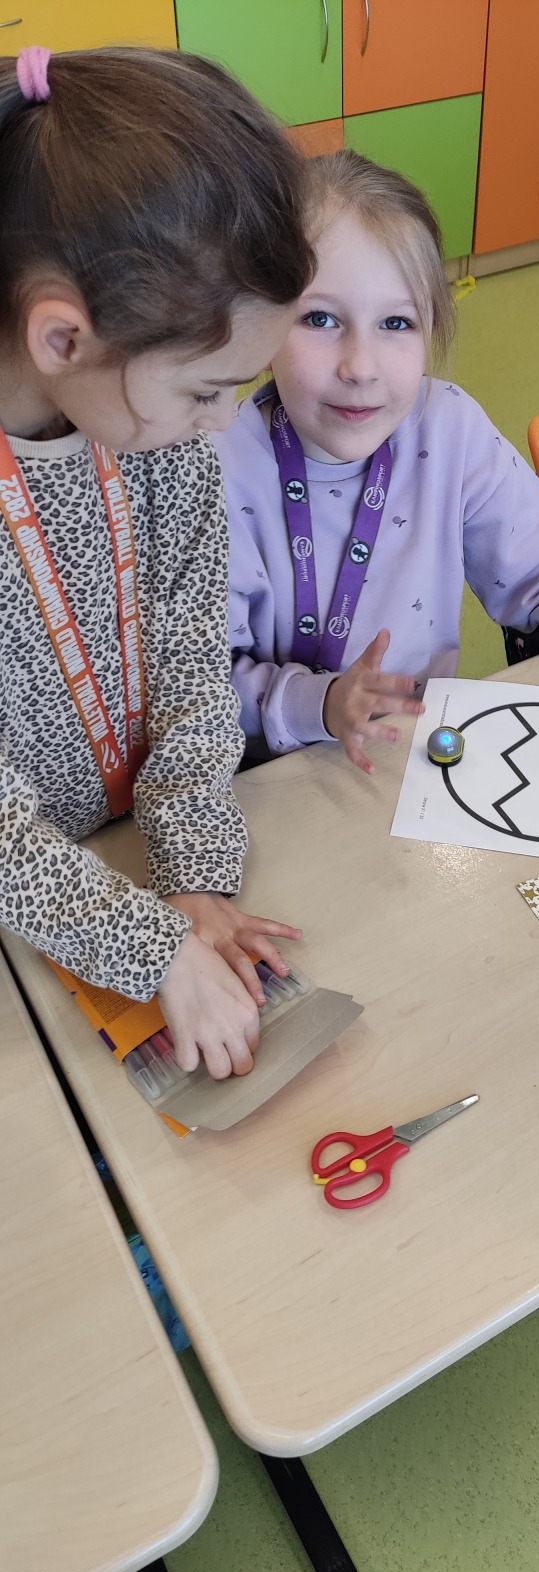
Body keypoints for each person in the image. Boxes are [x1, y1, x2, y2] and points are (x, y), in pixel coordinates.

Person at [0, 45, 315, 1079]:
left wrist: (193, 879)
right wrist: (153, 949)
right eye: (205, 390)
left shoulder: (164, 440)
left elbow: (190, 658)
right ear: (63, 340)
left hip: (120, 865)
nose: (224, 424)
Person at [217, 149, 539, 776]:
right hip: (268, 780)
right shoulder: (220, 471)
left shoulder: (448, 428)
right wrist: (318, 703)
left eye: (397, 322)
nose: (361, 366)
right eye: (320, 318)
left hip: (412, 761)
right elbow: (200, 688)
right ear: (261, 319)